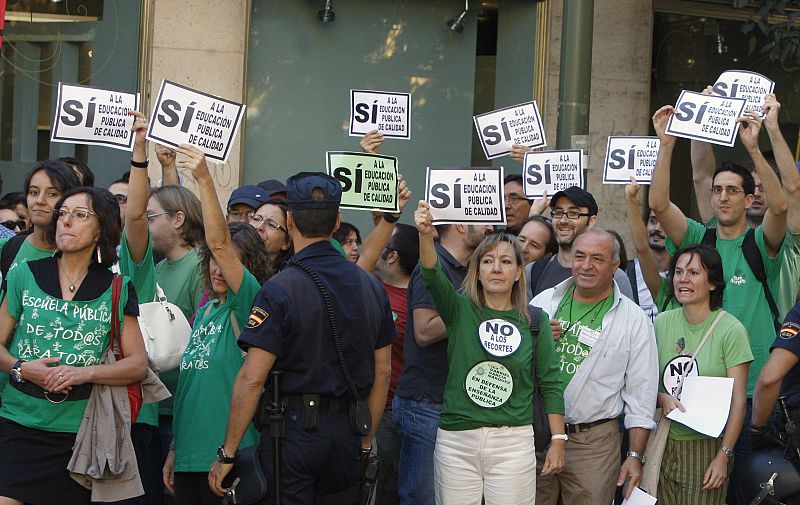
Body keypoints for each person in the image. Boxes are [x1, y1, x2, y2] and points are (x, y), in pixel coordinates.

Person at [208, 172, 396, 504]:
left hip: (292, 434)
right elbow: (383, 372)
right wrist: (365, 441)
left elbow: (252, 378)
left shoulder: (279, 288)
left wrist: (228, 453)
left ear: (290, 220)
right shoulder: (371, 286)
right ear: (337, 220)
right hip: (347, 435)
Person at [650, 105, 788, 504]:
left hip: (751, 394)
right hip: (695, 393)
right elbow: (659, 204)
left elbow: (780, 208)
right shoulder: (698, 238)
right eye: (717, 190)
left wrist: (755, 148)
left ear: (748, 199)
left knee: (742, 492)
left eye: (732, 190)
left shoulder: (761, 242)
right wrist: (666, 143)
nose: (723, 197)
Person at [0, 186, 148, 505]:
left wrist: (83, 373)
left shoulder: (116, 288)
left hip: (80, 435)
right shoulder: (25, 275)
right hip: (18, 424)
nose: (66, 221)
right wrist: (23, 368)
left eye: (80, 215)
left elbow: (137, 364)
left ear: (101, 229)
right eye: (63, 214)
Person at [414, 200, 565, 504]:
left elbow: (550, 382)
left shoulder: (535, 320)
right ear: (477, 270)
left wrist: (559, 440)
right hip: (456, 440)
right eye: (488, 261)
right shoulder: (458, 309)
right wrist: (424, 234)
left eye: (506, 262)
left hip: (513, 442)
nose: (497, 268)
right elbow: (431, 274)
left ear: (519, 272)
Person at [162, 145, 270, 505]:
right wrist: (177, 448)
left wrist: (204, 179)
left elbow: (221, 243)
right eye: (210, 259)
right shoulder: (206, 312)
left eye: (228, 262)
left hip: (228, 458)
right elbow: (191, 388)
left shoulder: (249, 302)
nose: (217, 266)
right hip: (190, 455)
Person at [531, 229, 658, 504]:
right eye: (580, 256)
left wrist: (635, 457)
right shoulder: (541, 304)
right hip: (536, 435)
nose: (586, 265)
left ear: (615, 266)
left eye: (597, 258)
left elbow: (642, 394)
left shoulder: (634, 320)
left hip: (593, 444)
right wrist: (535, 341)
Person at [393, 220, 492, 505]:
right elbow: (424, 331)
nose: (489, 226)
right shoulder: (432, 267)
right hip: (426, 403)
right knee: (422, 497)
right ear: (460, 225)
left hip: (455, 402)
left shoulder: (469, 270)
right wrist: (475, 302)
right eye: (482, 219)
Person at [655, 244, 751, 504]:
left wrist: (723, 456)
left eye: (693, 273)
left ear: (713, 283)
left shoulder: (731, 330)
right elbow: (644, 379)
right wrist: (660, 397)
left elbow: (738, 401)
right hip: (661, 439)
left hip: (705, 446)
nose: (683, 279)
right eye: (678, 272)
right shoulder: (661, 321)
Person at [372, 223, 419, 505]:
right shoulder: (367, 284)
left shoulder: (418, 301)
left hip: (394, 410)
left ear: (392, 256)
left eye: (382, 242)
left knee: (390, 487)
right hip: (366, 406)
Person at [527, 186, 635, 301]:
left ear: (592, 221)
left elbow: (628, 317)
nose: (563, 220)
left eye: (573, 213)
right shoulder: (533, 271)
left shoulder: (613, 276)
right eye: (558, 213)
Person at [0, 161, 81, 296]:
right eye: (33, 192)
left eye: (52, 194)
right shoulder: (8, 247)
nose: (40, 200)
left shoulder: (83, 255)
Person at [625, 180, 672, 321]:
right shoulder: (626, 271)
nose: (657, 228)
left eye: (664, 223)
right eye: (652, 221)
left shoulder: (682, 276)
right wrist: (631, 199)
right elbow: (642, 248)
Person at [249, 197, 293, 267]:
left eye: (271, 224)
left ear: (287, 242)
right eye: (256, 219)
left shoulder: (288, 276)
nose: (259, 227)